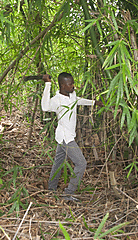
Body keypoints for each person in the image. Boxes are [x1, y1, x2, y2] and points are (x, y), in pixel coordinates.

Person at [41, 72, 101, 201]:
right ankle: (68, 194)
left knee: (58, 163)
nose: (73, 86)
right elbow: (45, 107)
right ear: (62, 85)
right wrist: (47, 84)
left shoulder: (71, 95)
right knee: (81, 163)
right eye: (70, 84)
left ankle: (51, 189)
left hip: (64, 137)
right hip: (65, 138)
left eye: (73, 83)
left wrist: (94, 103)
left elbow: (78, 101)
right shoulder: (56, 100)